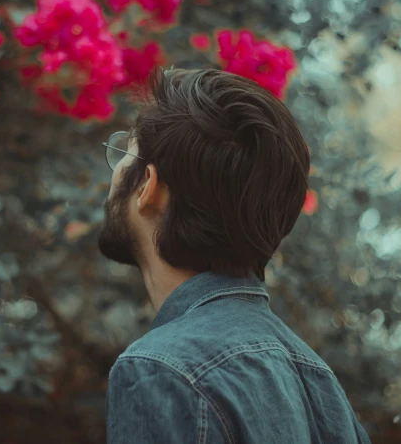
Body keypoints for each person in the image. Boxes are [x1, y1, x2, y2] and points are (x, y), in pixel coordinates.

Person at [100, 68, 372, 444]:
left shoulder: (161, 369)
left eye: (123, 156)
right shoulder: (320, 382)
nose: (113, 179)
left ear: (149, 186)